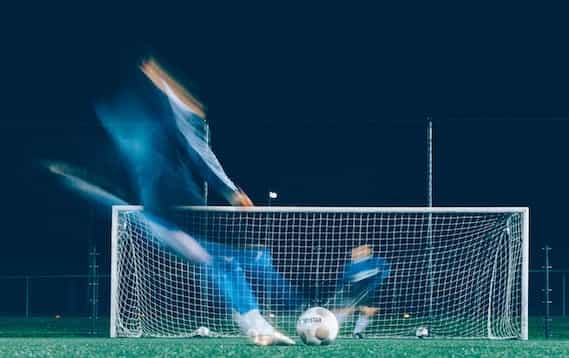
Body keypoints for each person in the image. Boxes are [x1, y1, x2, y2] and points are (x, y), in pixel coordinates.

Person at [94, 57, 297, 345]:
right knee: (234, 260)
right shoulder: (183, 126)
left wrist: (159, 80)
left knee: (223, 261)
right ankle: (272, 317)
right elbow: (200, 153)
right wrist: (232, 193)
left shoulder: (148, 129)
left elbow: (172, 141)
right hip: (172, 214)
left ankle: (257, 323)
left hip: (163, 214)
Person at [334, 245, 390, 338]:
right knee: (347, 311)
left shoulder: (378, 261)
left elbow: (385, 272)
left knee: (369, 311)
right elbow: (345, 279)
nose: (364, 250)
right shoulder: (351, 266)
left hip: (370, 292)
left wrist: (378, 280)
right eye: (360, 249)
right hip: (353, 291)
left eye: (366, 248)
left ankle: (357, 332)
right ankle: (330, 327)